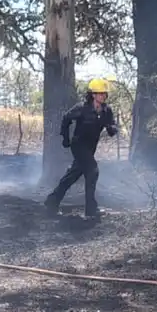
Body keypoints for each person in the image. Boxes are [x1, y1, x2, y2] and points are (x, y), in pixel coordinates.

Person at [44, 78, 119, 218]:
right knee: (93, 171)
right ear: (92, 95)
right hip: (78, 145)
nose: (103, 96)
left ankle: (52, 201)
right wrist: (65, 138)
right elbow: (66, 118)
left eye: (104, 93)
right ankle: (91, 209)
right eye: (100, 93)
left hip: (90, 148)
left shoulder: (106, 111)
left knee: (72, 176)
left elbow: (111, 126)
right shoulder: (82, 108)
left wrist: (112, 129)